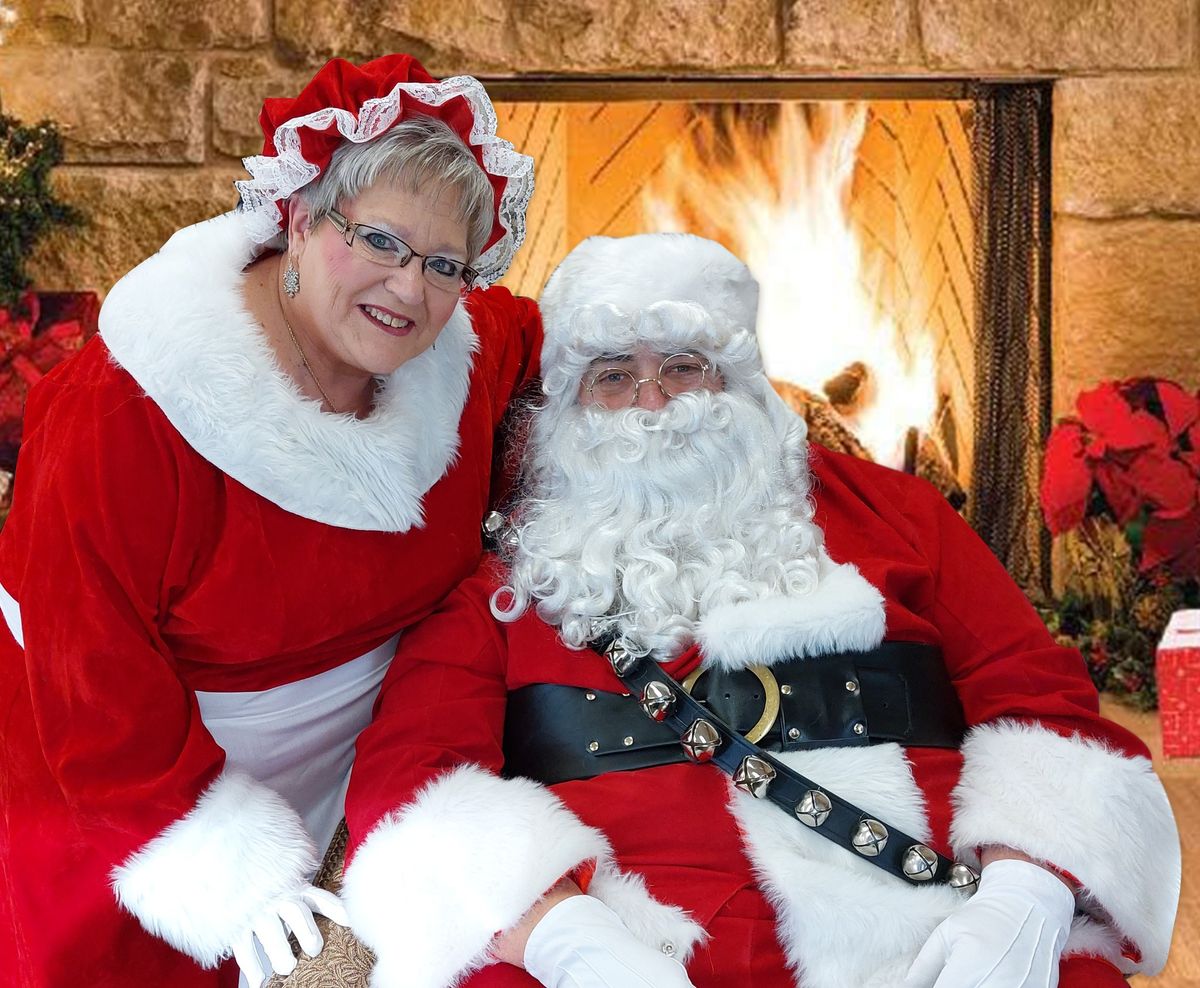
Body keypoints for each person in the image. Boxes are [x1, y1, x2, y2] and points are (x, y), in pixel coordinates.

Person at [338, 233, 1181, 988]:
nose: (651, 405)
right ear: (567, 410)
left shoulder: (900, 516)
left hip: (926, 932)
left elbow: (1035, 689)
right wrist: (563, 935)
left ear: (738, 382)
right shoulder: (503, 586)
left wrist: (1022, 893)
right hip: (635, 940)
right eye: (612, 377)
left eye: (681, 367)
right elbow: (414, 774)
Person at [0, 54, 541, 988]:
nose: (409, 288)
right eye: (376, 240)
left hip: (374, 773)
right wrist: (236, 885)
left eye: (443, 263)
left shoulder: (464, 358)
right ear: (296, 217)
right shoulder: (126, 412)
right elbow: (93, 687)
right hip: (130, 794)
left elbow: (558, 339)